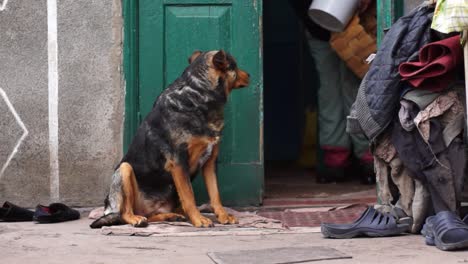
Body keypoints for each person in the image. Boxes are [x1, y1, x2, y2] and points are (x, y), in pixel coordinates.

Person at [289, 0, 375, 184]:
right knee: (332, 91)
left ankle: (366, 157)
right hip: (321, 27)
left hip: (354, 27)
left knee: (353, 88)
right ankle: (338, 159)